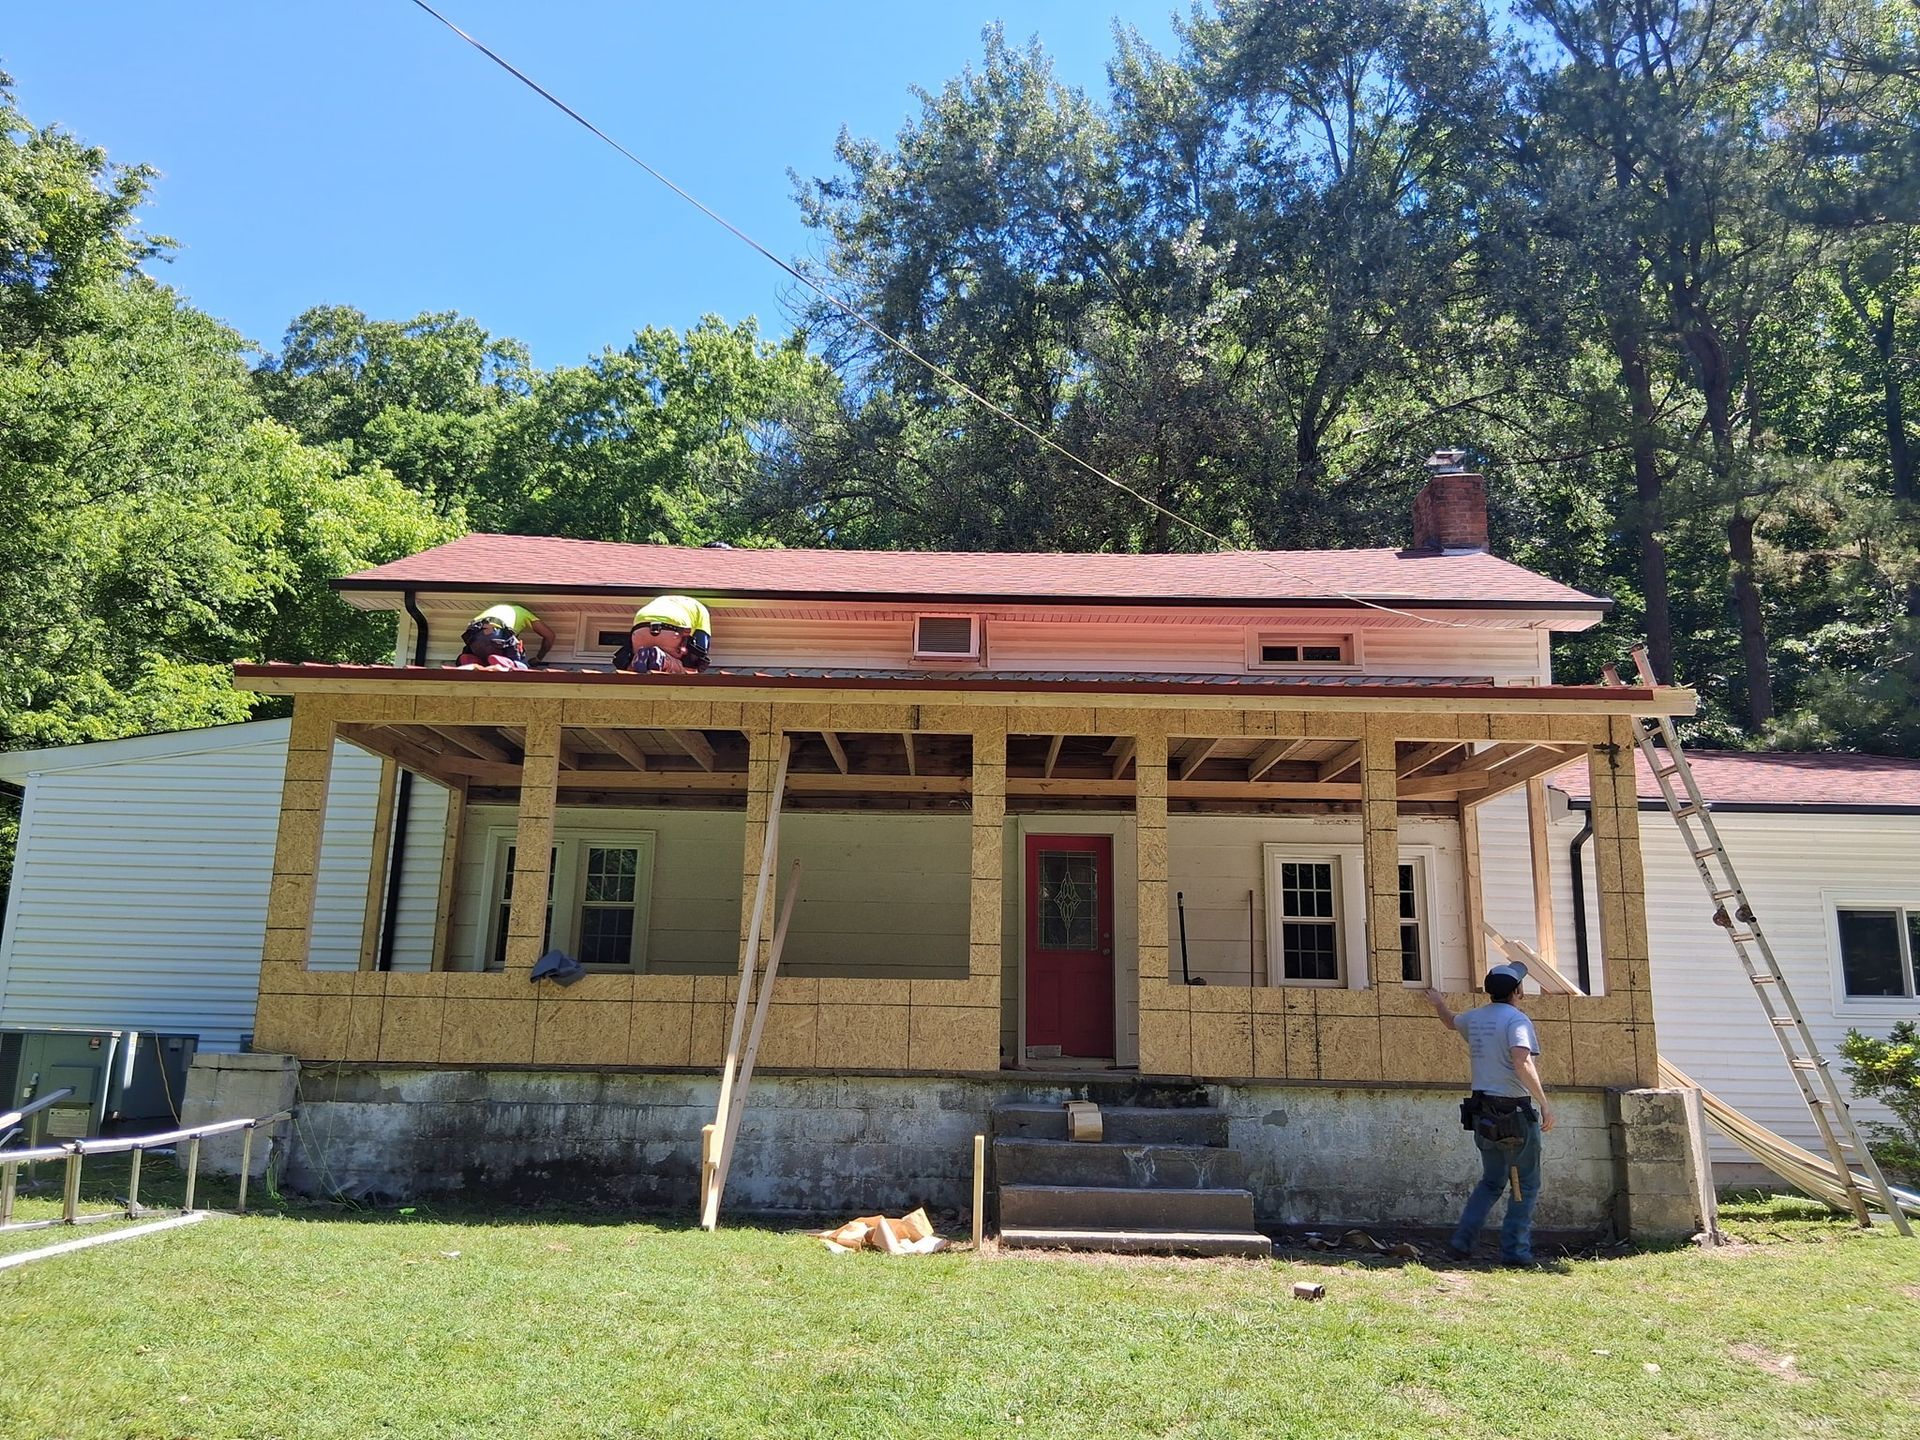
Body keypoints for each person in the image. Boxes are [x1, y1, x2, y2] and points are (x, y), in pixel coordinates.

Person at [1423, 960, 1555, 1266]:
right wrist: (1545, 1104)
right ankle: (1515, 1252)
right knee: (1526, 1183)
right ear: (1517, 991)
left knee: (1492, 1182)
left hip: (1482, 1113)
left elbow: (1449, 1020)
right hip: (1515, 1114)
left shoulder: (1476, 1019)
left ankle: (1461, 1243)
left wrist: (1438, 1002)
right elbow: (1522, 1060)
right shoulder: (1517, 1021)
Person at [614, 595, 712, 675]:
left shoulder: (661, 600)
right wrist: (694, 666)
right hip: (672, 629)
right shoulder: (702, 610)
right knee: (688, 667)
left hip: (641, 627)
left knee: (639, 659)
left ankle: (637, 659)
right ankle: (662, 659)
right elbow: (701, 647)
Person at [456, 604, 555, 670]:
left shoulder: (494, 609)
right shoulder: (522, 612)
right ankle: (506, 663)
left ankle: (470, 660)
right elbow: (549, 636)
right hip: (497, 633)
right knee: (519, 653)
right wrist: (538, 658)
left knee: (482, 654)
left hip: (473, 636)